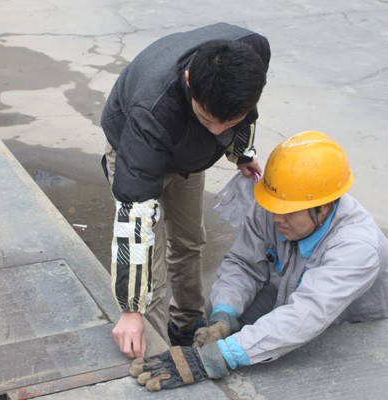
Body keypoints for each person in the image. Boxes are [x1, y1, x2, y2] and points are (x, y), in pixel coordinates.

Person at [129, 131, 388, 391]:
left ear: (323, 209)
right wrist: (224, 314)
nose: (276, 219)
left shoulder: (357, 248)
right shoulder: (279, 204)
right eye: (274, 209)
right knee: (225, 330)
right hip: (291, 296)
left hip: (354, 330)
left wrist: (221, 356)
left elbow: (306, 314)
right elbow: (244, 264)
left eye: (287, 214)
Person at [100, 22, 271, 358]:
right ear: (191, 81)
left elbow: (244, 115)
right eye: (209, 119)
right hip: (135, 149)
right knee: (154, 271)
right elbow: (134, 220)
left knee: (190, 240)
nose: (218, 130)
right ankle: (157, 350)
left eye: (228, 122)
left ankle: (186, 324)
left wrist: (240, 153)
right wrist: (130, 309)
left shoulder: (253, 52)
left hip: (186, 154)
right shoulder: (151, 115)